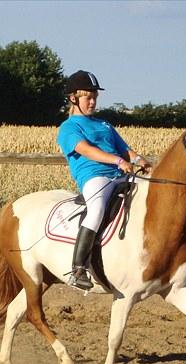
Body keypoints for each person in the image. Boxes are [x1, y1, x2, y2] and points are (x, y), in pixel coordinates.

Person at [57, 70, 152, 290]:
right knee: (97, 210)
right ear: (73, 98)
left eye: (95, 98)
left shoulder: (104, 125)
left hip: (120, 175)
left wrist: (140, 160)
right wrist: (118, 162)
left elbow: (125, 150)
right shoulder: (69, 128)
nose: (92, 102)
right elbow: (86, 150)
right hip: (95, 177)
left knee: (155, 196)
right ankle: (78, 268)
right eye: (87, 98)